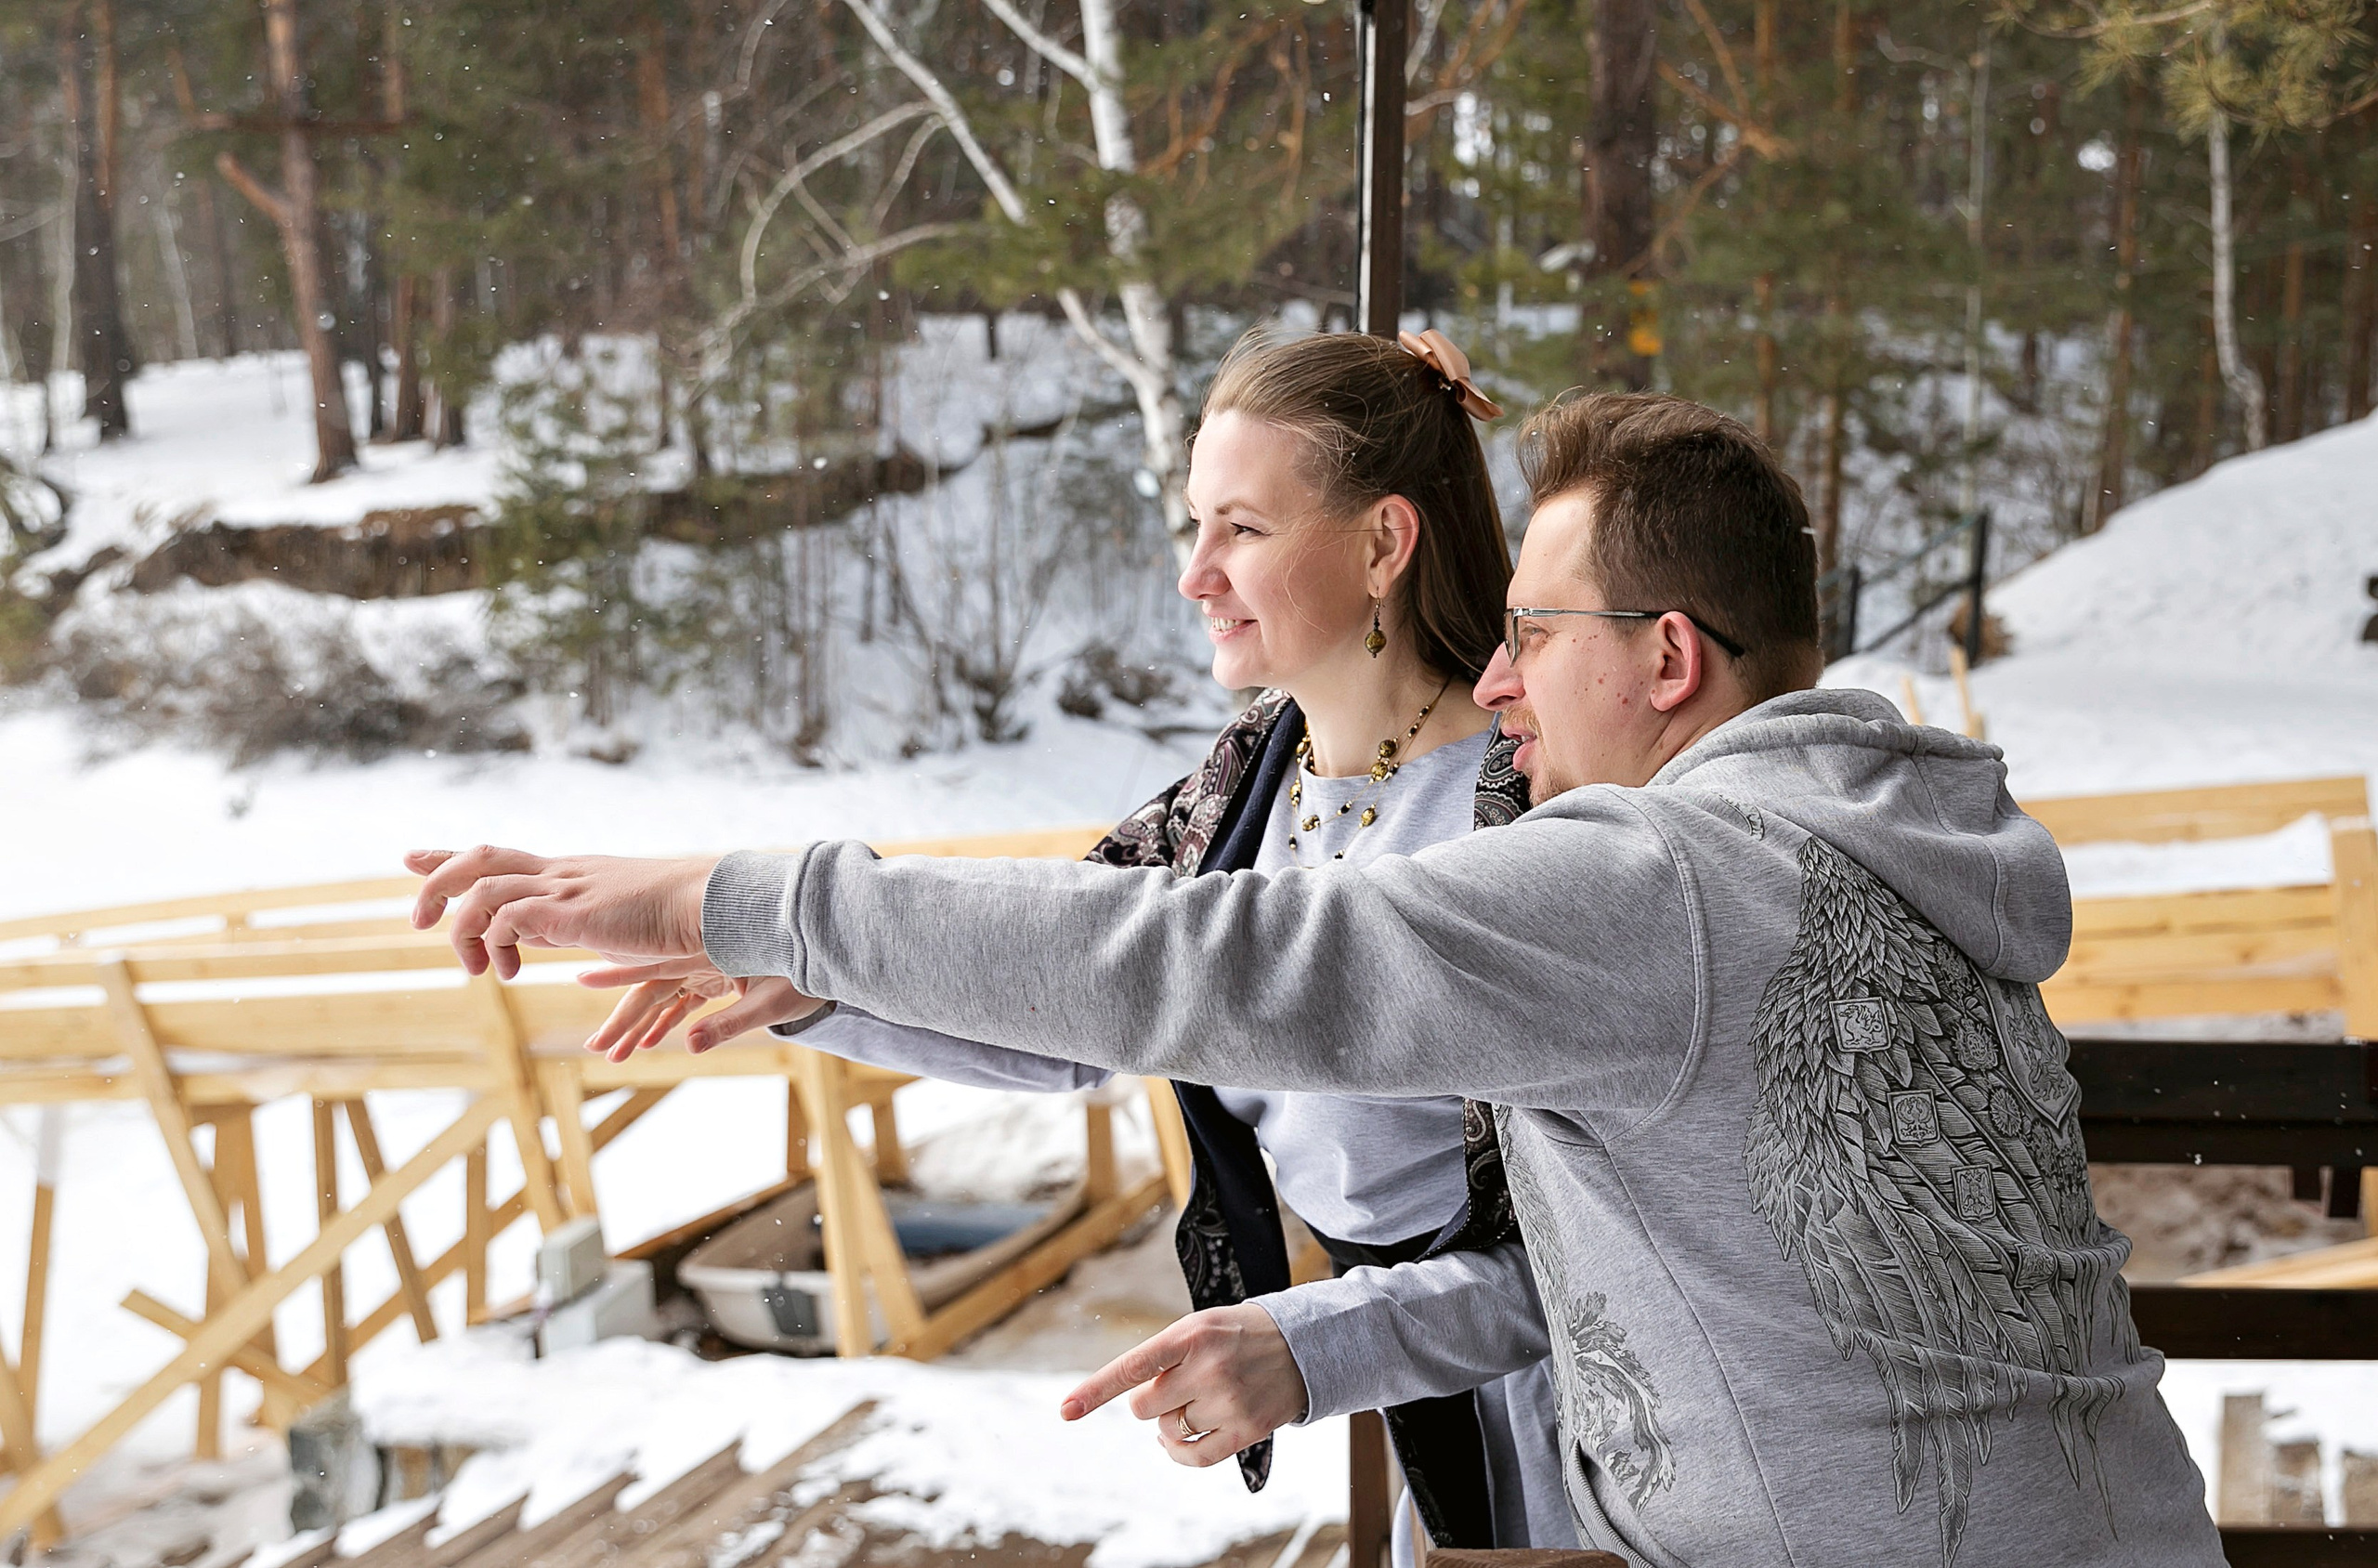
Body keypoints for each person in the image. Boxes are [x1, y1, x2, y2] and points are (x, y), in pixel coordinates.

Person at [411, 391, 2227, 1567]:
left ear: (1664, 657)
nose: (1507, 683)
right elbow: (1144, 964)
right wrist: (815, 982)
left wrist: (755, 898)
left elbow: (1210, 963)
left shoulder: (1652, 878)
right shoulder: (1888, 837)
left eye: (1535, 635)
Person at [479, 328, 1576, 1557]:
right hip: (1427, 1428)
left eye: (1243, 531)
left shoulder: (1519, 809)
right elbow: (1080, 1014)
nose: (1194, 576)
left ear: (1383, 541)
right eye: (1194, 526)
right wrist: (816, 988)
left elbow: (1607, 1260)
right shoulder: (1248, 781)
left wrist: (1326, 1342)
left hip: (1585, 1444)